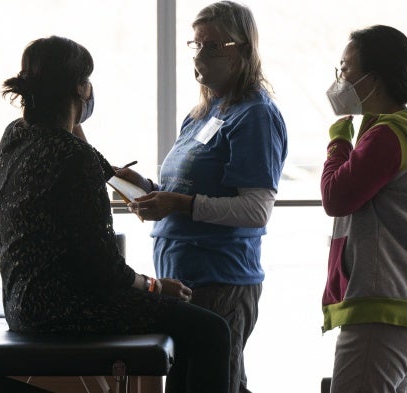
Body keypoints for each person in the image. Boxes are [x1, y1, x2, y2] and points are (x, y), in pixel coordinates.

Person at [0, 35, 231, 393]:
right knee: (212, 331)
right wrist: (155, 286)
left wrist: (72, 120)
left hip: (21, 304)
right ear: (80, 89)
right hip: (64, 311)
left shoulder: (15, 137)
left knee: (187, 326)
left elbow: (81, 152)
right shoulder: (74, 158)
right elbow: (105, 270)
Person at [120, 2, 288, 392]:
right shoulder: (203, 114)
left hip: (221, 281)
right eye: (196, 45)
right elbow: (188, 191)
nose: (201, 55)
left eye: (213, 46)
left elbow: (256, 209)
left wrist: (178, 205)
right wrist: (149, 191)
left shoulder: (255, 115)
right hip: (180, 279)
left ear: (243, 50)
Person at [320, 25, 407, 393]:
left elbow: (336, 197)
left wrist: (338, 140)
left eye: (347, 68)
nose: (341, 79)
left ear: (375, 79)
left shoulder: (387, 136)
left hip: (383, 307)